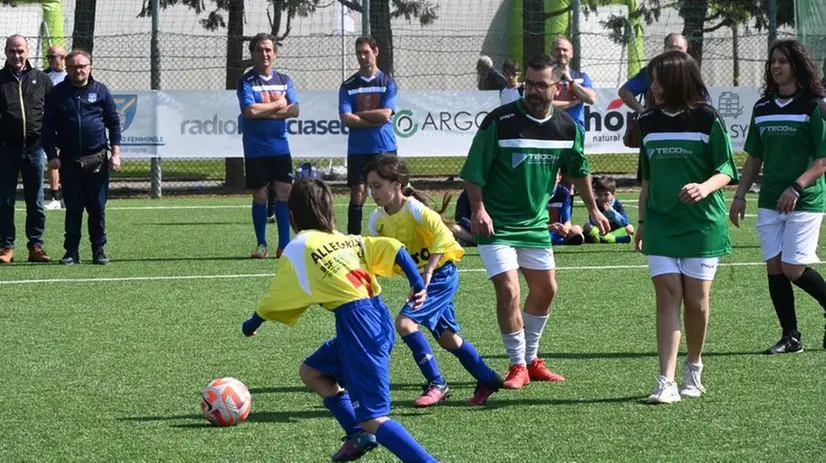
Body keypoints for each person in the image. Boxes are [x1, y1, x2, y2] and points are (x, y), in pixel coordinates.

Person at [240, 178, 438, 463]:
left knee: (375, 418)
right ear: (329, 210)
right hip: (376, 316)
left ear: (292, 215)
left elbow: (276, 299)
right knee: (312, 372)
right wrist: (417, 283)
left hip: (358, 324)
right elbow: (395, 248)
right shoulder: (347, 238)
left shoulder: (299, 246)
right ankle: (357, 433)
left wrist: (251, 325)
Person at [460, 54, 610, 389]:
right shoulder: (500, 120)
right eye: (529, 83)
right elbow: (473, 171)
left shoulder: (567, 127)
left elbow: (579, 170)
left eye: (541, 85)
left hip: (534, 224)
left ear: (558, 87)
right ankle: (516, 365)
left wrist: (593, 209)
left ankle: (531, 359)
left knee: (546, 290)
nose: (532, 90)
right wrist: (479, 209)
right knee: (510, 289)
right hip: (496, 225)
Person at [634, 50, 739, 404]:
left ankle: (693, 368)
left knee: (697, 302)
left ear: (677, 80)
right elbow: (646, 177)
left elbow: (727, 169)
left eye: (658, 79)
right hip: (662, 224)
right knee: (666, 295)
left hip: (702, 225)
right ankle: (665, 381)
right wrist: (642, 222)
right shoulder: (646, 122)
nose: (653, 86)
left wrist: (703, 187)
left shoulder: (707, 118)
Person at [365, 155, 504, 407]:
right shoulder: (377, 219)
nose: (371, 192)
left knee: (405, 324)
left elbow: (444, 235)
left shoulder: (415, 209)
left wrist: (426, 274)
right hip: (422, 279)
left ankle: (437, 384)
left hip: (441, 275)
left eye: (377, 186)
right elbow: (379, 256)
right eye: (370, 186)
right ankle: (487, 377)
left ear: (397, 184)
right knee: (447, 338)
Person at [730, 39, 826, 354]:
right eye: (773, 61)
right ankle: (791, 337)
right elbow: (754, 158)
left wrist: (797, 186)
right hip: (770, 199)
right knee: (774, 267)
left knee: (793, 267)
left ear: (797, 65)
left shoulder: (815, 105)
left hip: (806, 199)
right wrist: (740, 195)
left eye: (783, 61)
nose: (776, 66)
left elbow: (823, 159)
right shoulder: (763, 107)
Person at [43, 49, 121, 265]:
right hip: (69, 161)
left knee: (97, 208)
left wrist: (115, 153)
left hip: (97, 160)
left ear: (90, 67)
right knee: (74, 209)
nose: (79, 70)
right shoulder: (58, 94)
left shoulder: (101, 91)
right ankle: (71, 252)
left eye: (83, 66)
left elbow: (114, 123)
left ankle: (99, 250)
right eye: (74, 66)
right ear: (66, 68)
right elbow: (47, 128)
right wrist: (52, 155)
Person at [237, 33, 299, 259]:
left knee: (285, 193)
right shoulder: (246, 81)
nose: (264, 54)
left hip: (280, 148)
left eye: (268, 50)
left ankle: (284, 245)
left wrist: (266, 111)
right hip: (255, 149)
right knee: (261, 195)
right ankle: (261, 244)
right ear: (252, 54)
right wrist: (278, 105)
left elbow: (294, 110)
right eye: (259, 50)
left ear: (275, 53)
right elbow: (250, 112)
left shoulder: (285, 80)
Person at [0, 34, 54, 264]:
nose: (17, 55)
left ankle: (36, 245)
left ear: (28, 52)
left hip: (34, 149)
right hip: (6, 150)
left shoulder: (42, 79)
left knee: (36, 200)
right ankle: (6, 247)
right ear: (5, 52)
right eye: (12, 51)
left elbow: (52, 115)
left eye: (20, 50)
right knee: (5, 200)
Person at [339, 36, 398, 235]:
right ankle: (352, 239)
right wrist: (374, 118)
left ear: (376, 52)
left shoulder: (387, 82)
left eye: (366, 52)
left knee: (390, 193)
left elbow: (385, 114)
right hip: (358, 149)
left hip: (384, 147)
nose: (363, 57)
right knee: (358, 194)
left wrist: (360, 115)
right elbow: (346, 119)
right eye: (359, 53)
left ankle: (393, 236)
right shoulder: (348, 85)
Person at [618, 33, 689, 114]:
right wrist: (643, 111)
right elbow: (624, 91)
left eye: (679, 48)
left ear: (686, 50)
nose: (675, 51)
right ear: (664, 48)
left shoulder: (691, 72)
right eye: (671, 47)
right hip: (658, 122)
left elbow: (701, 99)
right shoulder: (652, 70)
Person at [550, 36, 597, 130]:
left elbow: (591, 99)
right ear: (552, 53)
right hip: (550, 127)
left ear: (571, 54)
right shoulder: (546, 77)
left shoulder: (581, 77)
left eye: (565, 50)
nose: (561, 53)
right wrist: (574, 102)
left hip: (575, 129)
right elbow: (544, 104)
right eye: (557, 50)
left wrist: (570, 80)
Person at [44, 44, 67, 210]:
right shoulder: (44, 76)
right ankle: (55, 197)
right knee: (52, 159)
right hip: (50, 123)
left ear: (63, 57)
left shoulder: (72, 74)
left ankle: (69, 196)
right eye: (49, 57)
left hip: (67, 124)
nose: (51, 60)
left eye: (54, 57)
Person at [584, 177, 634, 244]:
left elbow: (625, 222)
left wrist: (612, 212)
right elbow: (592, 221)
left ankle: (603, 239)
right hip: (601, 231)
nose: (602, 198)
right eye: (599, 195)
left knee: (630, 228)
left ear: (613, 194)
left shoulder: (617, 204)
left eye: (606, 194)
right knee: (587, 226)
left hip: (616, 231)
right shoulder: (595, 205)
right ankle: (614, 239)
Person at [547, 168, 585, 246]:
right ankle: (561, 240)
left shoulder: (563, 193)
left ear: (559, 177)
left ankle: (564, 239)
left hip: (559, 230)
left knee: (576, 230)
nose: (550, 180)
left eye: (553, 177)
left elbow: (567, 221)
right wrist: (549, 227)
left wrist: (565, 229)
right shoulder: (536, 194)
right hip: (543, 228)